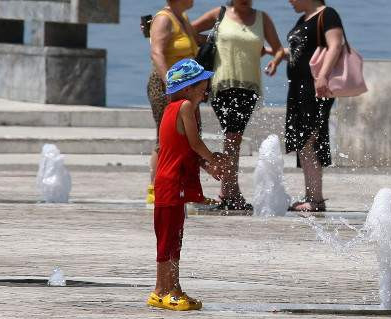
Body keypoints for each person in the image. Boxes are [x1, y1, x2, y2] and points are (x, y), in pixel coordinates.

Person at [146, 59, 227, 311]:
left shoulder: (171, 109)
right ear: (188, 87)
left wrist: (205, 165)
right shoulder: (184, 107)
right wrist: (213, 160)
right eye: (202, 83)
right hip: (172, 182)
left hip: (169, 181)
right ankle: (166, 291)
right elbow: (194, 143)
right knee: (170, 239)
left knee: (172, 238)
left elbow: (181, 150)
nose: (206, 87)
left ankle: (167, 289)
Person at [193, 0, 285, 211]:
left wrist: (274, 61)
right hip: (222, 84)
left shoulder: (262, 18)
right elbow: (189, 29)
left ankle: (228, 190)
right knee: (232, 137)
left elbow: (278, 49)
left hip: (249, 86)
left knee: (233, 138)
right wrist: (211, 40)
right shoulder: (221, 13)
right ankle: (230, 192)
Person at [283, 0, 345, 212]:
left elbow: (335, 44)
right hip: (299, 88)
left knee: (310, 139)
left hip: (316, 87)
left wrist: (323, 76)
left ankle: (315, 199)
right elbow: (301, 50)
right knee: (303, 141)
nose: (289, 1)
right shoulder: (303, 19)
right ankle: (311, 195)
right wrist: (277, 56)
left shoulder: (327, 14)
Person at [146, 0, 200, 205]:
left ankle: (182, 187)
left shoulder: (182, 18)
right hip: (165, 86)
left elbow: (197, 42)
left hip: (187, 87)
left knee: (187, 136)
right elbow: (156, 52)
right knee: (166, 136)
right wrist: (170, 82)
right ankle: (155, 189)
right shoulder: (164, 19)